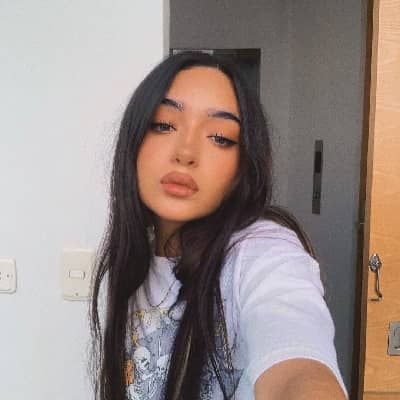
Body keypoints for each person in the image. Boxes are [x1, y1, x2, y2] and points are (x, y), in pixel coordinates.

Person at [89, 51, 348, 400]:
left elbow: (297, 362)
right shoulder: (136, 262)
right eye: (164, 124)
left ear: (242, 167)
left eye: (221, 137)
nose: (186, 152)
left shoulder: (260, 252)